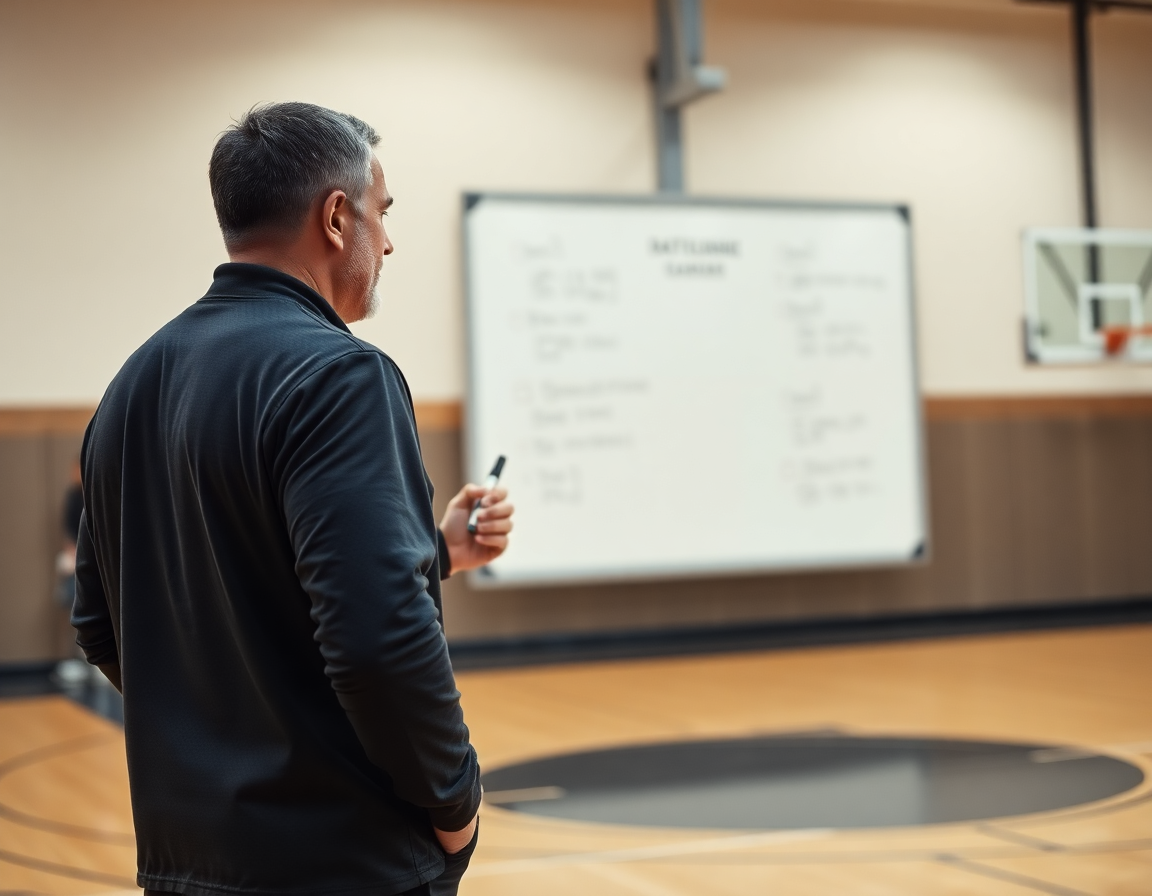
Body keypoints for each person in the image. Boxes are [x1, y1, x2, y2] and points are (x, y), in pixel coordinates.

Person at [71, 102, 514, 896]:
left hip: (186, 860)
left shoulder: (131, 384)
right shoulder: (342, 375)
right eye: (382, 213)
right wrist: (457, 805)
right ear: (337, 217)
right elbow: (378, 638)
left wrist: (434, 550)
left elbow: (105, 621)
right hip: (343, 863)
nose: (388, 240)